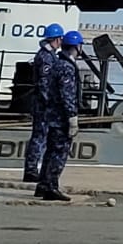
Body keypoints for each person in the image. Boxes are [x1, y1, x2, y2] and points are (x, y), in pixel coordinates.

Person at [33, 29, 82, 203]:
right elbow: (67, 94)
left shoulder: (57, 63)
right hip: (61, 118)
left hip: (52, 115)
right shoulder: (67, 67)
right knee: (59, 152)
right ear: (77, 47)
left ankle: (42, 185)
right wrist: (72, 117)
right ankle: (51, 187)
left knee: (50, 151)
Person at [22, 23, 66, 187]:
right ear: (57, 39)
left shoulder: (48, 55)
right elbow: (44, 83)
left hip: (43, 103)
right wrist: (50, 102)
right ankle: (31, 169)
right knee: (39, 136)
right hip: (43, 105)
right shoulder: (46, 57)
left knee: (41, 136)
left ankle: (33, 169)